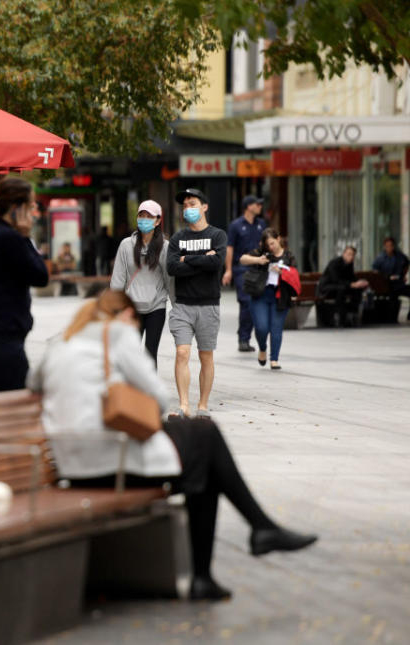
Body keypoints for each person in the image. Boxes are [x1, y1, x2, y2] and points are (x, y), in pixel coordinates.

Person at [27, 289, 318, 601]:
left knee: (202, 447)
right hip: (114, 459)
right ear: (126, 315)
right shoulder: (120, 337)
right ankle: (251, 536)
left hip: (74, 465)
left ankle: (238, 550)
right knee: (205, 439)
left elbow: (34, 384)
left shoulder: (60, 344)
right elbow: (155, 396)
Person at [0, 177, 48, 393]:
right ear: (16, 208)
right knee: (21, 404)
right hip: (0, 340)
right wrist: (25, 235)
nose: (32, 213)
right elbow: (41, 276)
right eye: (30, 207)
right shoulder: (9, 239)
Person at [166, 188, 228, 418]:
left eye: (192, 204)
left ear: (204, 207)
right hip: (182, 305)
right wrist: (203, 259)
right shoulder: (177, 238)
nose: (188, 209)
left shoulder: (218, 235)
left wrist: (187, 259)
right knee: (182, 353)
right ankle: (184, 404)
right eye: (185, 206)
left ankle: (202, 405)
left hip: (208, 304)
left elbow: (217, 263)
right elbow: (172, 268)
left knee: (205, 356)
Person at [110, 200, 171, 366]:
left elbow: (169, 279)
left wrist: (177, 306)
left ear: (158, 220)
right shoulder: (126, 245)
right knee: (129, 353)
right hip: (131, 308)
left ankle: (148, 392)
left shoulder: (165, 247)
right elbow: (118, 279)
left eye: (149, 216)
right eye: (141, 215)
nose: (144, 219)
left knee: (150, 353)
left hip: (156, 306)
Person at [240, 229, 296, 370]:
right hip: (260, 295)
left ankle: (274, 359)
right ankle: (263, 348)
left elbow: (294, 274)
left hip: (280, 296)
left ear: (278, 238)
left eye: (272, 243)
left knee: (276, 328)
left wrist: (282, 272)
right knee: (261, 327)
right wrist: (258, 260)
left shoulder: (288, 255)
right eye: (268, 244)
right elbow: (242, 259)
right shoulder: (261, 253)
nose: (271, 247)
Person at [223, 195, 268, 352]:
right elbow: (230, 248)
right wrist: (228, 270)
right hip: (241, 269)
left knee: (259, 303)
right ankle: (243, 339)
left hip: (260, 268)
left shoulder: (261, 224)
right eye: (257, 204)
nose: (260, 207)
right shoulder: (236, 225)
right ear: (249, 206)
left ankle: (257, 337)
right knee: (247, 302)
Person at [317, 246, 368, 327]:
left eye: (353, 255)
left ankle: (353, 314)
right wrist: (351, 284)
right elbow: (335, 279)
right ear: (344, 254)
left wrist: (358, 283)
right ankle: (341, 318)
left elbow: (351, 277)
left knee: (357, 290)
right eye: (349, 254)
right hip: (327, 287)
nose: (351, 257)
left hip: (340, 286)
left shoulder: (349, 264)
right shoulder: (334, 263)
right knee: (342, 290)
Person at [372, 237, 410, 319]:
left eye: (391, 246)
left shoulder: (400, 256)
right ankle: (391, 317)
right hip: (387, 284)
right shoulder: (380, 258)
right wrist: (386, 277)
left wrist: (403, 275)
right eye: (387, 246)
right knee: (392, 298)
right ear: (384, 246)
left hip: (398, 283)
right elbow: (375, 272)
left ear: (394, 246)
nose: (389, 248)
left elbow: (406, 263)